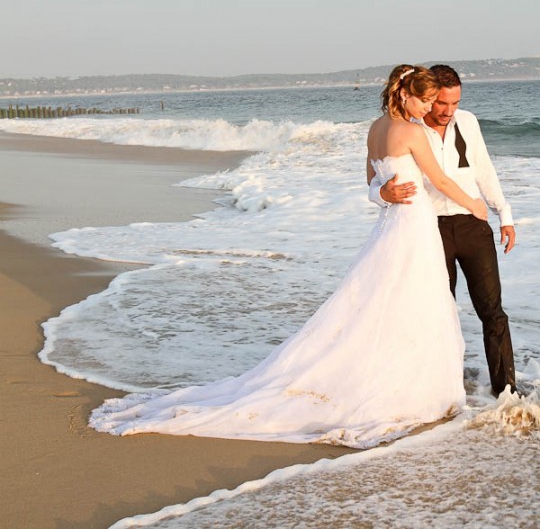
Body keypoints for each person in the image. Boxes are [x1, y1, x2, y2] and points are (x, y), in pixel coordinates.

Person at [89, 65, 488, 448]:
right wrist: (474, 203)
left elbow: (370, 184)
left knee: (385, 303)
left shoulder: (376, 129)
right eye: (425, 101)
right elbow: (438, 180)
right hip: (412, 226)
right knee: (414, 302)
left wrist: (383, 196)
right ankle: (408, 388)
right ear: (404, 95)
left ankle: (395, 376)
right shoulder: (411, 131)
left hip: (391, 225)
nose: (429, 109)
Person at [368, 64, 518, 397]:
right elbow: (380, 179)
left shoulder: (469, 122)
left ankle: (505, 391)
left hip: (472, 224)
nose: (448, 111)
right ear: (429, 97)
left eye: (455, 104)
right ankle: (446, 390)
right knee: (439, 312)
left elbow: (484, 169)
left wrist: (503, 213)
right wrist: (382, 194)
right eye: (441, 104)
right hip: (429, 229)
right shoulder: (407, 125)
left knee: (492, 311)